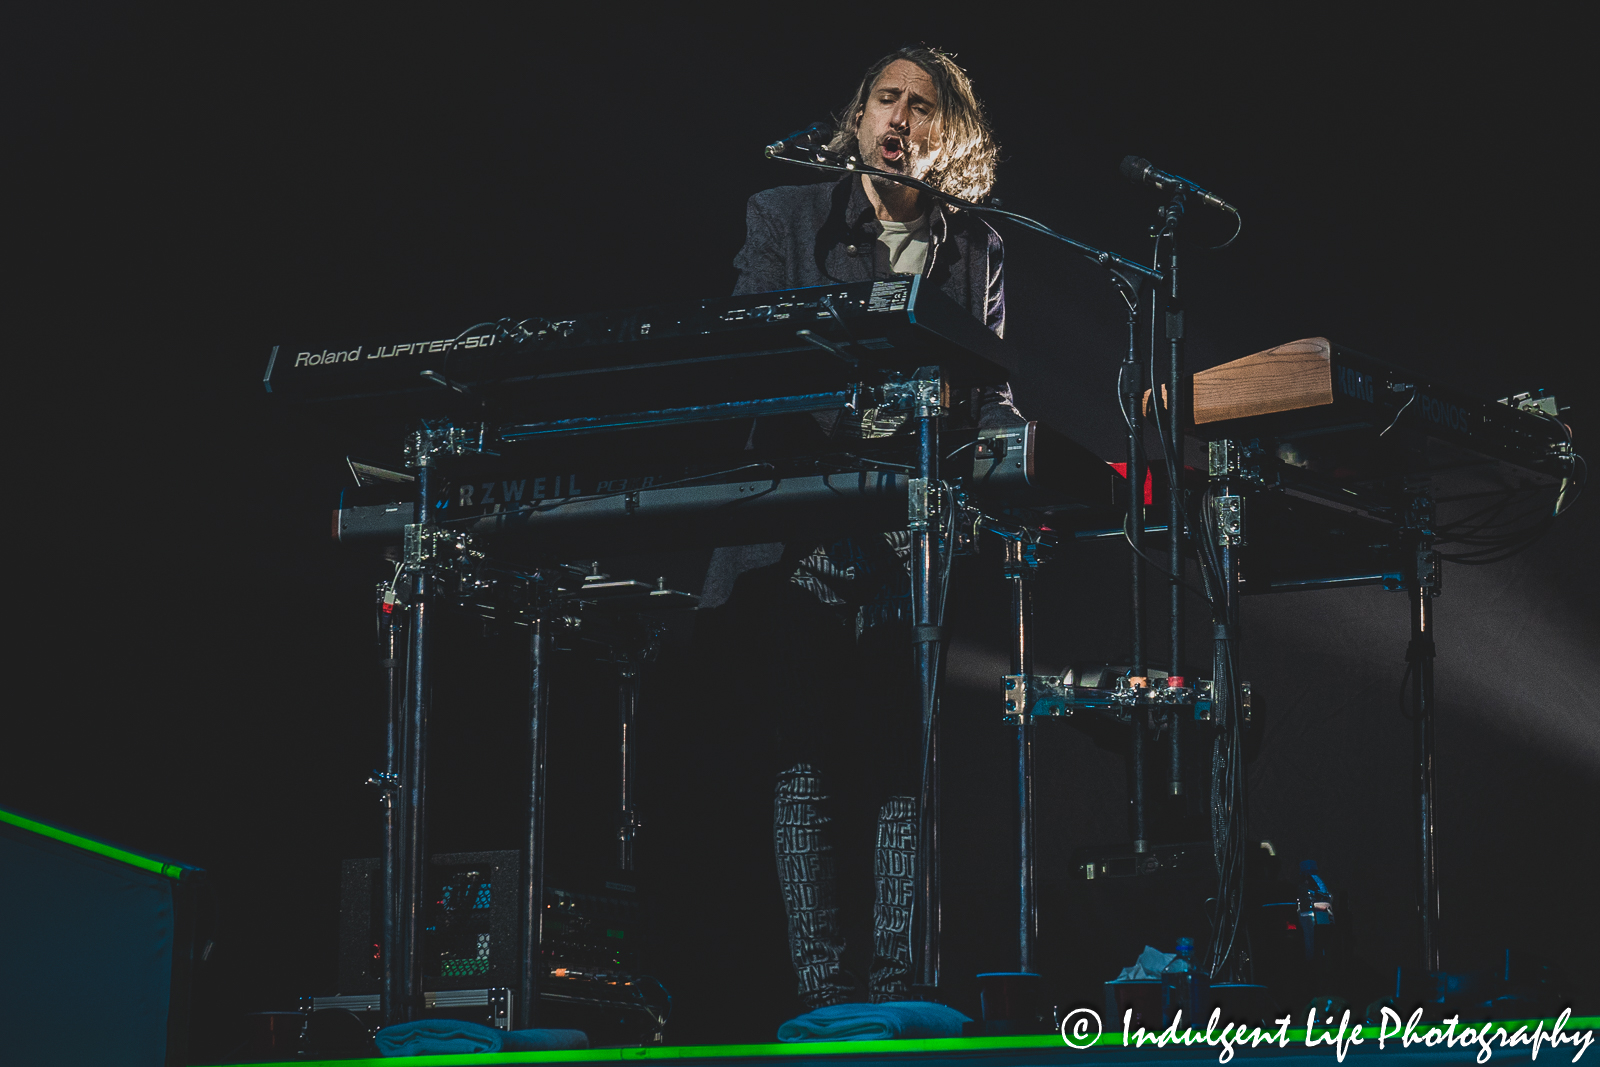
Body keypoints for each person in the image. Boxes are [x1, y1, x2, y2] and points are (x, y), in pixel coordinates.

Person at [706, 46, 1022, 1011]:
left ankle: (891, 989)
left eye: (923, 106)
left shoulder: (975, 246)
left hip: (909, 532)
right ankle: (819, 992)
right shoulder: (786, 214)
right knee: (801, 763)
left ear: (949, 137)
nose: (900, 116)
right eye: (886, 98)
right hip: (803, 525)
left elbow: (992, 388)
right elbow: (753, 347)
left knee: (898, 770)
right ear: (857, 117)